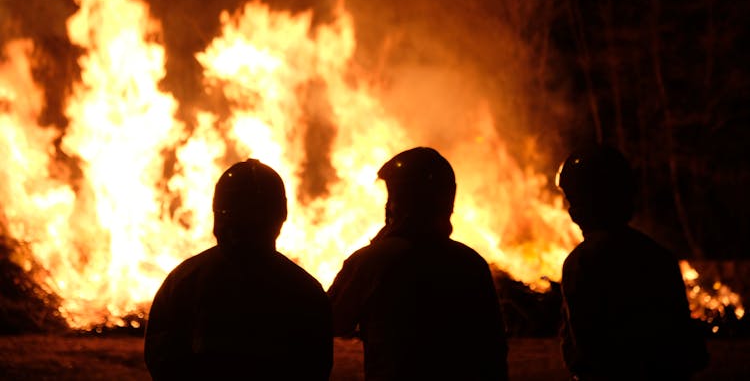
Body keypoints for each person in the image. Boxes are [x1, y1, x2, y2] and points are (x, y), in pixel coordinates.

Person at [328, 147, 509, 380]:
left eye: (392, 197)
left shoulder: (372, 261)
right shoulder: (471, 263)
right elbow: (494, 349)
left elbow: (332, 320)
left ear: (400, 202)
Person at [144, 159, 332, 380]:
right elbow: (315, 366)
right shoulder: (304, 289)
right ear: (280, 216)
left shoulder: (184, 280)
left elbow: (161, 359)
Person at [556, 144, 708, 380]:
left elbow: (584, 353)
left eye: (572, 198)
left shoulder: (583, 263)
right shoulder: (660, 258)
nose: (571, 209)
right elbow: (686, 349)